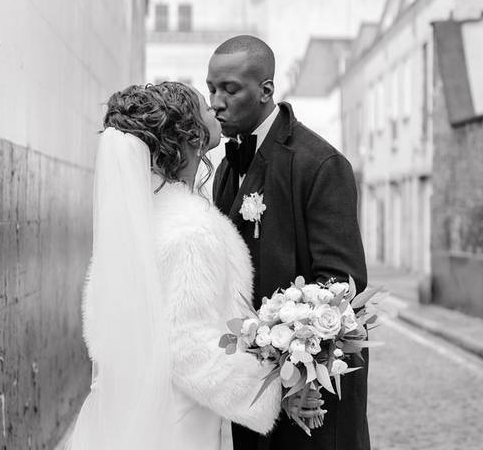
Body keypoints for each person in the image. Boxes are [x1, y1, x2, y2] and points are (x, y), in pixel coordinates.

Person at [65, 82, 290, 450]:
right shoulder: (190, 226)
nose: (215, 109)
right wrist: (270, 390)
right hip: (178, 420)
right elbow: (187, 346)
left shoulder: (134, 221)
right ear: (188, 135)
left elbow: (101, 326)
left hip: (132, 406)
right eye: (204, 106)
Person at [207, 36, 371, 450]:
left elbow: (341, 286)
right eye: (211, 89)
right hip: (256, 397)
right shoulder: (227, 168)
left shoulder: (321, 164)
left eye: (229, 89)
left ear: (266, 90)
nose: (216, 103)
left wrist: (299, 375)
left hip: (313, 398)